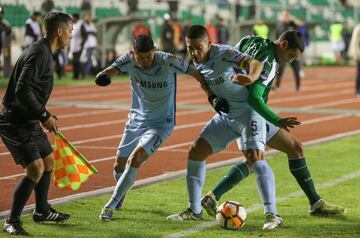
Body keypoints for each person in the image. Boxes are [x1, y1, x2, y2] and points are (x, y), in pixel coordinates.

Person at [200, 31, 346, 224]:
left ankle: (315, 203)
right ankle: (268, 213)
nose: (292, 61)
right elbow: (254, 98)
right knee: (256, 161)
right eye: (292, 55)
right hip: (249, 113)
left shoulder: (251, 40)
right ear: (283, 45)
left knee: (294, 148)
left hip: (237, 108)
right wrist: (277, 120)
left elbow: (232, 60)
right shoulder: (268, 63)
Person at [166, 25, 288, 230]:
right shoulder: (196, 62)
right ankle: (194, 210)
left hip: (248, 113)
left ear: (209, 44)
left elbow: (255, 62)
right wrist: (212, 98)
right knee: (196, 152)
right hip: (225, 116)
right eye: (190, 48)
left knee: (255, 160)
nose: (194, 52)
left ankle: (272, 214)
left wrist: (250, 78)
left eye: (198, 47)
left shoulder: (224, 53)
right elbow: (205, 82)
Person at [96, 34, 213, 221]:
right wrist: (103, 77)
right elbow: (111, 70)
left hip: (161, 123)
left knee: (135, 159)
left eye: (148, 57)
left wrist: (210, 93)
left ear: (154, 51)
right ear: (133, 54)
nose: (144, 62)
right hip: (135, 121)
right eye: (140, 58)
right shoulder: (128, 59)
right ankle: (120, 196)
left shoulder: (168, 60)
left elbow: (195, 73)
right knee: (118, 165)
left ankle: (109, 206)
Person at [0, 11, 73, 236]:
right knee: (35, 168)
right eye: (70, 32)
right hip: (15, 121)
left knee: (49, 161)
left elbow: (30, 90)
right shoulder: (40, 53)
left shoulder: (43, 51)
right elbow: (22, 89)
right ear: (59, 31)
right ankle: (11, 221)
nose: (71, 36)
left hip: (28, 119)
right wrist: (44, 116)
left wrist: (43, 114)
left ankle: (42, 211)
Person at [274, 10, 302, 92]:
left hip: (293, 51)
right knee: (280, 70)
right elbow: (277, 37)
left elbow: (298, 35)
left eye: (287, 15)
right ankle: (277, 86)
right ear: (282, 16)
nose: (286, 17)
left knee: (296, 69)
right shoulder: (279, 25)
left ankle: (298, 87)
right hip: (283, 52)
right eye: (284, 15)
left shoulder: (293, 24)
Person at [348, 23, 360, 96]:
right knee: (359, 73)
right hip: (359, 54)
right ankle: (358, 90)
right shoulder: (358, 28)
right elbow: (354, 42)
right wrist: (356, 54)